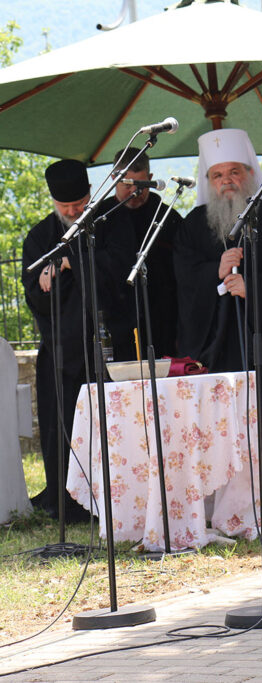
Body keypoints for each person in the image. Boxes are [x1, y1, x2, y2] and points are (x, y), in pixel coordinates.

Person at [173, 128, 262, 517]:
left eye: (234, 172)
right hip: (215, 348)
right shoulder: (193, 225)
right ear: (208, 181)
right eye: (218, 175)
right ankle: (221, 504)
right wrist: (213, 273)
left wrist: (251, 289)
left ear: (250, 174)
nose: (227, 181)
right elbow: (183, 281)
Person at [21, 159, 134, 520]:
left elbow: (121, 272)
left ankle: (118, 497)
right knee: (66, 428)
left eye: (79, 204)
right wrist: (45, 281)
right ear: (53, 202)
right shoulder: (39, 237)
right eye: (65, 207)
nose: (73, 212)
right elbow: (33, 296)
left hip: (108, 347)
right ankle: (70, 504)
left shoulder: (111, 224)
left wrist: (72, 260)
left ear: (89, 194)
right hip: (62, 353)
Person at [96, 146, 182, 359]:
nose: (134, 191)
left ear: (151, 178)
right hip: (115, 324)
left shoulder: (167, 217)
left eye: (141, 185)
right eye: (127, 184)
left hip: (162, 322)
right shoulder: (99, 218)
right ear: (114, 178)